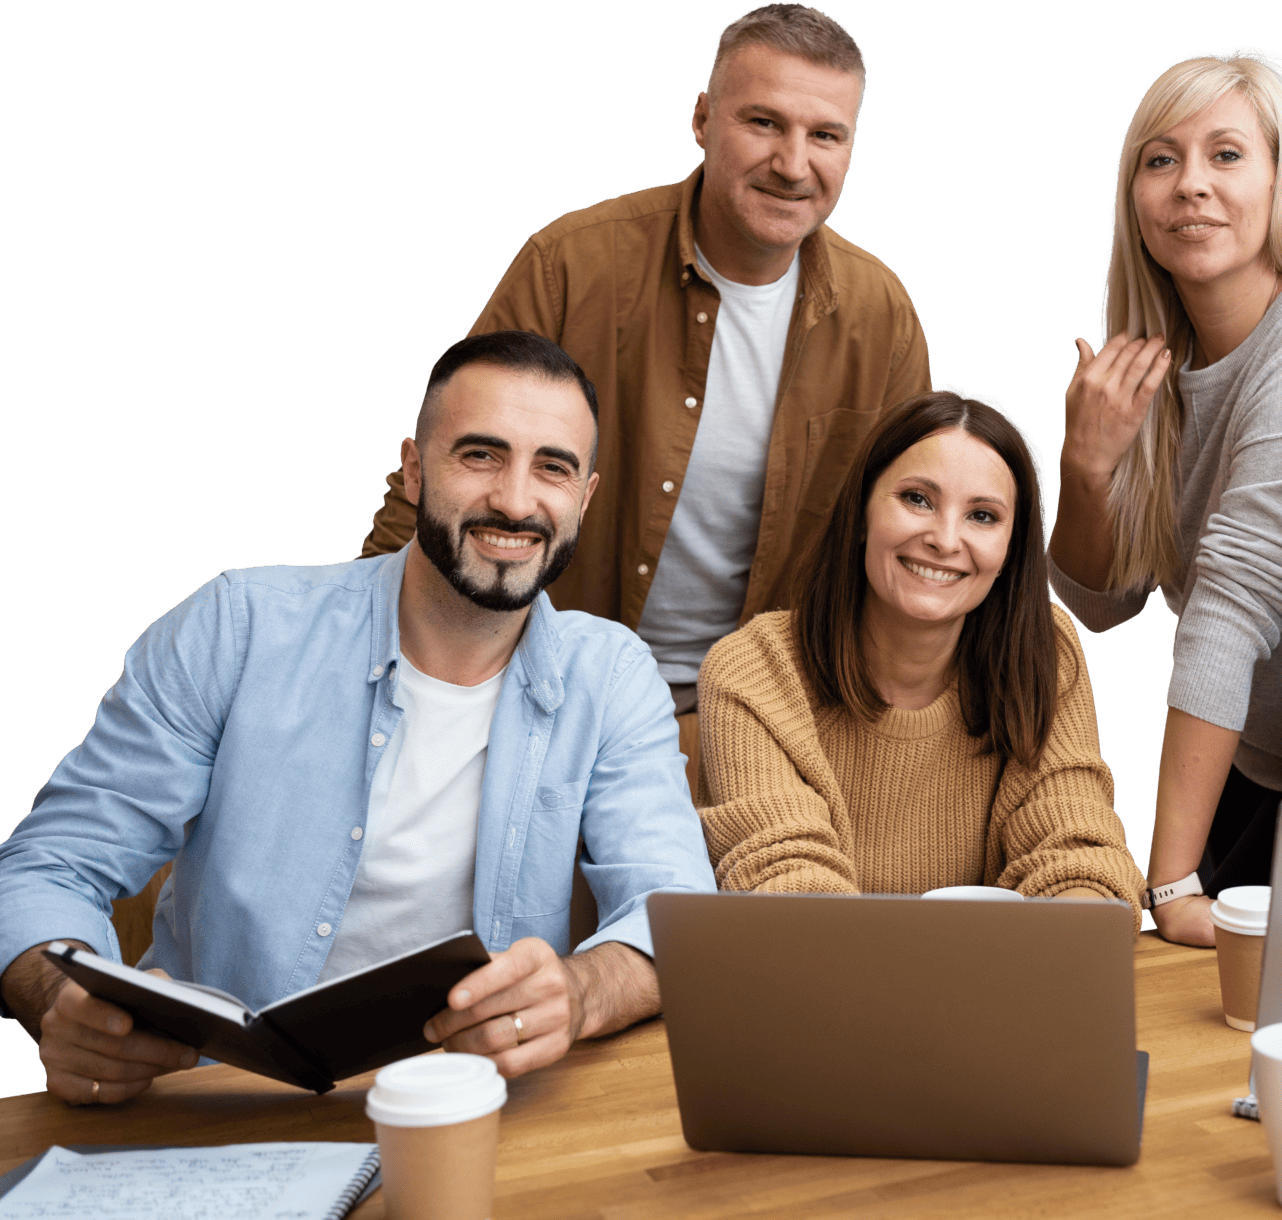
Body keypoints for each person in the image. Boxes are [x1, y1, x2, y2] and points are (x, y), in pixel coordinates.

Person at [0, 332, 716, 1105]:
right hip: (223, 1104)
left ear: (585, 496)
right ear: (412, 469)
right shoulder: (237, 626)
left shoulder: (609, 675)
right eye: (479, 455)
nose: (515, 500)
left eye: (553, 467)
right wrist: (61, 1004)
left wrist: (579, 991)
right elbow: (47, 866)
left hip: (473, 1112)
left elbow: (670, 915)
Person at [360, 2, 932, 741]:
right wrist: (351, 660)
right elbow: (443, 475)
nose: (793, 165)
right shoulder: (573, 264)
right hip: (540, 692)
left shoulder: (880, 316)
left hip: (753, 720)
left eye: (825, 135)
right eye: (763, 123)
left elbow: (898, 545)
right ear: (701, 119)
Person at [1049, 46, 1282, 945]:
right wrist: (1088, 473)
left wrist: (1168, 884)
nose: (1190, 186)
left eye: (1227, 154)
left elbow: (1225, 619)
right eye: (1160, 159)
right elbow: (1105, 605)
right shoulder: (1159, 351)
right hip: (1257, 768)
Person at [697, 387, 1147, 920]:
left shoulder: (1044, 651)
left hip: (992, 990)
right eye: (917, 499)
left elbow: (1075, 845)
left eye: (982, 516)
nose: (945, 539)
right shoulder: (753, 672)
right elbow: (785, 879)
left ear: (1010, 550)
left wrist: (1077, 923)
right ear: (862, 513)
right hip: (819, 991)